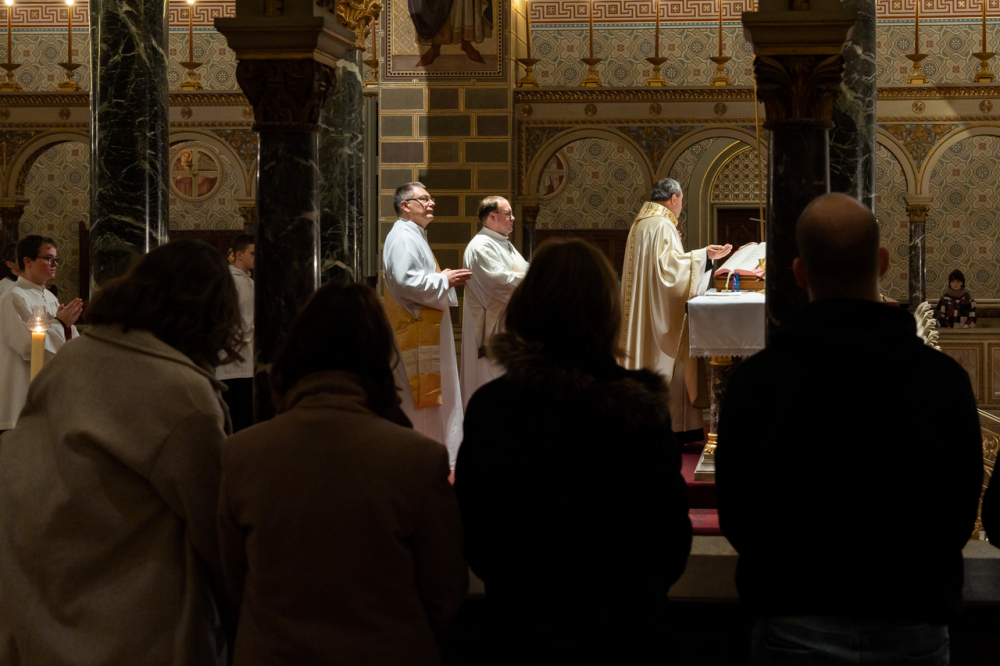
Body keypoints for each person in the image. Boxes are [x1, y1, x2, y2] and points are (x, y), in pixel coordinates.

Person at [716, 193, 983, 666]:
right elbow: (962, 507)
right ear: (882, 263)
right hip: (913, 622)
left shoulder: (756, 383)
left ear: (799, 273)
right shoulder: (943, 380)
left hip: (792, 621)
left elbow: (737, 513)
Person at [0, 240, 241, 665]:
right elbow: (218, 536)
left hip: (41, 605)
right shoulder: (183, 394)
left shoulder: (74, 360)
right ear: (212, 314)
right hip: (130, 629)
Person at [455, 239, 692, 665]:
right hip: (627, 632)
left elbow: (477, 535)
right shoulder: (639, 408)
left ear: (526, 309)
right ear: (607, 312)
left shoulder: (493, 408)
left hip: (520, 630)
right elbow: (670, 539)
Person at [217, 281, 468, 666]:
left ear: (295, 352)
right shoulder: (418, 459)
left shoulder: (242, 455)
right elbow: (445, 591)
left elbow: (233, 583)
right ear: (380, 355)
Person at [619, 177, 732, 443]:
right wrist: (704, 255)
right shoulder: (662, 224)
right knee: (673, 361)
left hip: (645, 311)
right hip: (660, 311)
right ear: (673, 199)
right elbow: (669, 274)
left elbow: (661, 267)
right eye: (681, 201)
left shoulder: (641, 222)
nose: (681, 206)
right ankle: (676, 429)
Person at [382, 182, 471, 469]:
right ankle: (422, 460)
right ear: (405, 205)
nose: (431, 203)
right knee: (420, 401)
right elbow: (406, 282)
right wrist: (445, 279)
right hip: (416, 328)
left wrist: (443, 279)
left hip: (425, 325)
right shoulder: (403, 237)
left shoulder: (414, 234)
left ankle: (437, 455)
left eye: (431, 198)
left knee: (435, 399)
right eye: (424, 199)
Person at [0, 235, 82, 432]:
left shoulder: (49, 296)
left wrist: (68, 329)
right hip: (20, 389)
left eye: (56, 259)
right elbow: (28, 344)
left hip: (46, 388)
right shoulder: (14, 296)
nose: (55, 264)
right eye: (48, 258)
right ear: (27, 261)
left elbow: (63, 337)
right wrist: (60, 323)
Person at [460, 196, 528, 407]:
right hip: (492, 327)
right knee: (491, 385)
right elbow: (499, 282)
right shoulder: (481, 246)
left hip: (507, 324)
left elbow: (524, 270)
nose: (513, 218)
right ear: (492, 216)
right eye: (508, 214)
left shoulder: (502, 243)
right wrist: (536, 281)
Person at [217, 233, 255, 432]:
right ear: (239, 255)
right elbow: (228, 320)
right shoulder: (227, 281)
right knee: (235, 421)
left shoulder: (251, 282)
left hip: (249, 360)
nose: (257, 257)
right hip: (230, 361)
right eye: (253, 253)